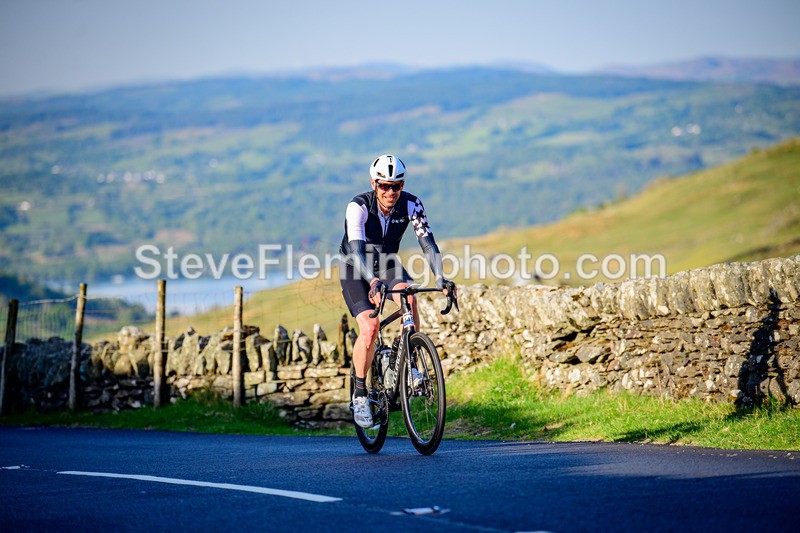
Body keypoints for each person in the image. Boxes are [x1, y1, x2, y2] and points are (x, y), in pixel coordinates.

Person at [340, 154, 456, 428]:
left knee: (409, 297)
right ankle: (360, 394)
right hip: (355, 268)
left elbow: (428, 243)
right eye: (384, 186)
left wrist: (441, 277)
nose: (390, 192)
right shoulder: (358, 207)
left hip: (387, 264)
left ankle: (409, 363)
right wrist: (372, 281)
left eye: (397, 186)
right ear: (374, 184)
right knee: (370, 327)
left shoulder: (412, 204)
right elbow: (356, 251)